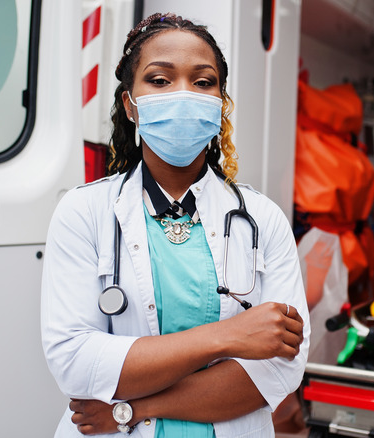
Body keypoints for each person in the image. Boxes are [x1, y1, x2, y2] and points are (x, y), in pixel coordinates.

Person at [41, 12, 310, 437]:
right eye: (160, 80)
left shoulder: (263, 219)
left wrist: (130, 408)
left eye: (203, 82)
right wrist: (229, 337)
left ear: (219, 104)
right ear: (131, 104)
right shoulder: (83, 211)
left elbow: (278, 372)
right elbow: (75, 363)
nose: (183, 94)